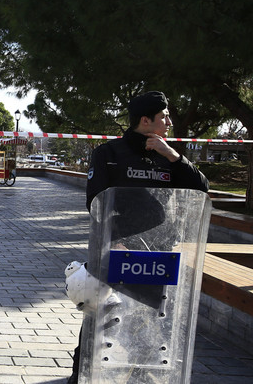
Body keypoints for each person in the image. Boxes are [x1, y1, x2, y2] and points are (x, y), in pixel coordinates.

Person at [68, 91, 208, 383]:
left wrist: (173, 156)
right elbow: (95, 203)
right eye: (163, 116)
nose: (169, 121)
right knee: (99, 318)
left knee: (147, 323)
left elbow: (201, 190)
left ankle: (141, 375)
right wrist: (113, 239)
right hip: (115, 252)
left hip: (156, 255)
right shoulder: (109, 154)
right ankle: (81, 375)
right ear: (146, 120)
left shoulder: (169, 155)